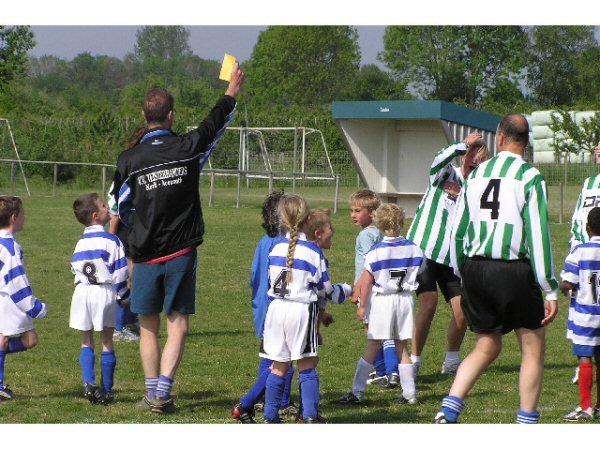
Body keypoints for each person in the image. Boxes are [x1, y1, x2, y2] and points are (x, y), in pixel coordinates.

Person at [113, 63, 246, 413]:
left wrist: (141, 227)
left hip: (143, 255)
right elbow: (213, 124)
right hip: (182, 252)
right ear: (171, 115)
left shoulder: (129, 160)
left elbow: (119, 206)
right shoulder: (189, 148)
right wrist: (231, 91)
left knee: (147, 328)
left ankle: (151, 393)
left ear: (145, 115)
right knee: (178, 325)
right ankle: (163, 393)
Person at [434, 113, 559, 424]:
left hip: (475, 268)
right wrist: (549, 287)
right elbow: (538, 235)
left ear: (500, 138)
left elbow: (457, 232)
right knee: (532, 346)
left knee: (486, 344)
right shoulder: (530, 177)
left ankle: (449, 408)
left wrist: (463, 273)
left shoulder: (475, 176)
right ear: (525, 142)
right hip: (513, 269)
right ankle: (526, 420)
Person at [406, 132, 488, 377]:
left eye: (480, 158)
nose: (474, 160)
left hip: (452, 257)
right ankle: (415, 359)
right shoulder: (445, 173)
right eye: (471, 154)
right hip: (425, 249)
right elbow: (438, 159)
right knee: (428, 305)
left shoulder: (476, 188)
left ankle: (451, 360)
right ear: (464, 155)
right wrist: (463, 144)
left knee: (462, 311)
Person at [260, 194, 339, 424]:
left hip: (275, 310)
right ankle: (311, 416)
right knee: (306, 364)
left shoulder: (274, 248)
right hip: (300, 311)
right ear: (307, 220)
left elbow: (270, 279)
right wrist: (344, 291)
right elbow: (324, 289)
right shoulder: (313, 252)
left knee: (278, 366)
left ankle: (270, 416)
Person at [339, 203, 423, 405]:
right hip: (404, 300)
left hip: (383, 301)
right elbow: (421, 268)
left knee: (373, 344)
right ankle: (409, 394)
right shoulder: (414, 248)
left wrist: (362, 307)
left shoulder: (376, 251)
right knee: (402, 346)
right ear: (402, 222)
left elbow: (366, 282)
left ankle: (357, 392)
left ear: (378, 223)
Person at [231, 191, 298, 423]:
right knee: (282, 359)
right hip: (277, 308)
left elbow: (254, 277)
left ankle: (266, 399)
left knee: (270, 356)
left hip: (262, 306)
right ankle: (278, 400)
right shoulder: (284, 244)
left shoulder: (263, 242)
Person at [70, 193, 130, 404]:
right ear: (96, 215)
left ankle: (88, 382)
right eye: (105, 206)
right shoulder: (111, 240)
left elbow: (75, 268)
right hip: (103, 292)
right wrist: (123, 295)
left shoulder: (79, 243)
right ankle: (106, 390)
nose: (108, 208)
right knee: (106, 341)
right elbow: (120, 272)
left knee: (86, 340)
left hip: (82, 292)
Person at [348, 190, 399, 388]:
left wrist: (359, 288)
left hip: (368, 288)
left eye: (357, 210)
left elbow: (370, 263)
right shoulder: (379, 233)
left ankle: (385, 370)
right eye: (352, 210)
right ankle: (386, 370)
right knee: (380, 330)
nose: (353, 214)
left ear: (371, 212)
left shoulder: (366, 235)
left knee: (373, 332)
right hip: (380, 287)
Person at [0, 196, 48, 400]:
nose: (24, 218)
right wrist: (35, 307)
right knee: (29, 340)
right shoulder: (10, 248)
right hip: (8, 300)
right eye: (23, 214)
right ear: (13, 217)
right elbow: (16, 282)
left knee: (4, 340)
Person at [560, 206, 600, 421]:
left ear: (587, 228)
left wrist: (562, 287)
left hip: (586, 315)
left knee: (585, 357)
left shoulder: (580, 251)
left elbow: (568, 283)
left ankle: (586, 407)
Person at [567, 142, 600, 384]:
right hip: (582, 253)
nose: (597, 149)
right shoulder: (589, 183)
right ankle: (584, 362)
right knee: (581, 308)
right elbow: (578, 216)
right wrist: (575, 246)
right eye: (597, 146)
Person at [107, 181, 138, 342]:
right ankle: (118, 327)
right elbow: (114, 212)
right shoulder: (122, 182)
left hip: (140, 233)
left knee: (138, 279)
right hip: (126, 234)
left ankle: (131, 320)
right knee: (127, 279)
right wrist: (111, 240)